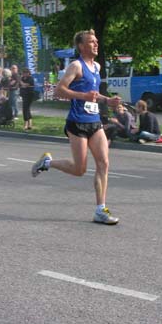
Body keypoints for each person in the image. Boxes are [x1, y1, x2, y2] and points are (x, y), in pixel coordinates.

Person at [31, 29, 122, 225]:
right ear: (81, 46)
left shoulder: (96, 66)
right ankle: (47, 163)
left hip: (94, 122)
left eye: (96, 41)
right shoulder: (76, 66)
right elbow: (59, 91)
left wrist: (108, 100)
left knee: (104, 163)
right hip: (77, 123)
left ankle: (100, 209)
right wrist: (82, 96)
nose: (96, 44)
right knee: (80, 169)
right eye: (91, 42)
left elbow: (94, 95)